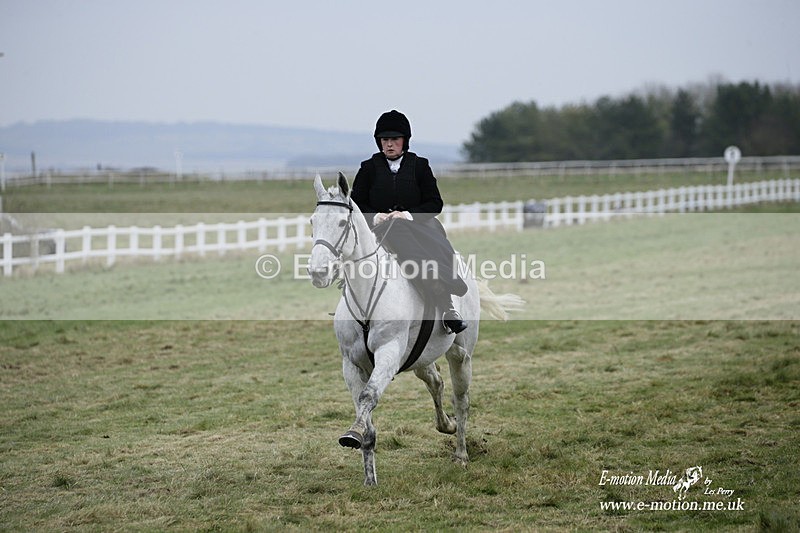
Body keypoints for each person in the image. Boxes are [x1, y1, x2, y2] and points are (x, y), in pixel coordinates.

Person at [351, 110, 468, 334]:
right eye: (385, 140)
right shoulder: (368, 168)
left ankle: (447, 307)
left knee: (404, 231)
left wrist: (406, 215)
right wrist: (376, 216)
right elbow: (357, 205)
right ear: (379, 142)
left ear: (405, 141)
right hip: (377, 228)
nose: (389, 144)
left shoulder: (420, 166)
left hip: (418, 228)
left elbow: (435, 203)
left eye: (394, 139)